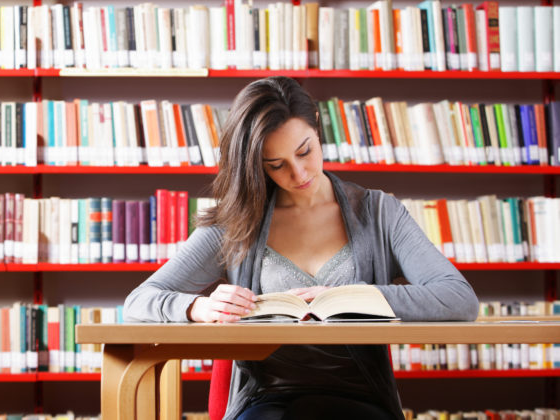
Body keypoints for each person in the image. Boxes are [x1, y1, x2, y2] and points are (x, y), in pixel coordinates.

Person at [123, 76, 479, 420]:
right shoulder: (236, 224)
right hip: (267, 400)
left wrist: (360, 298)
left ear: (318, 131)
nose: (299, 173)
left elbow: (458, 299)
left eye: (305, 151)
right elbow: (138, 302)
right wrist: (197, 307)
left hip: (361, 399)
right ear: (256, 167)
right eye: (276, 165)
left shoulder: (380, 213)